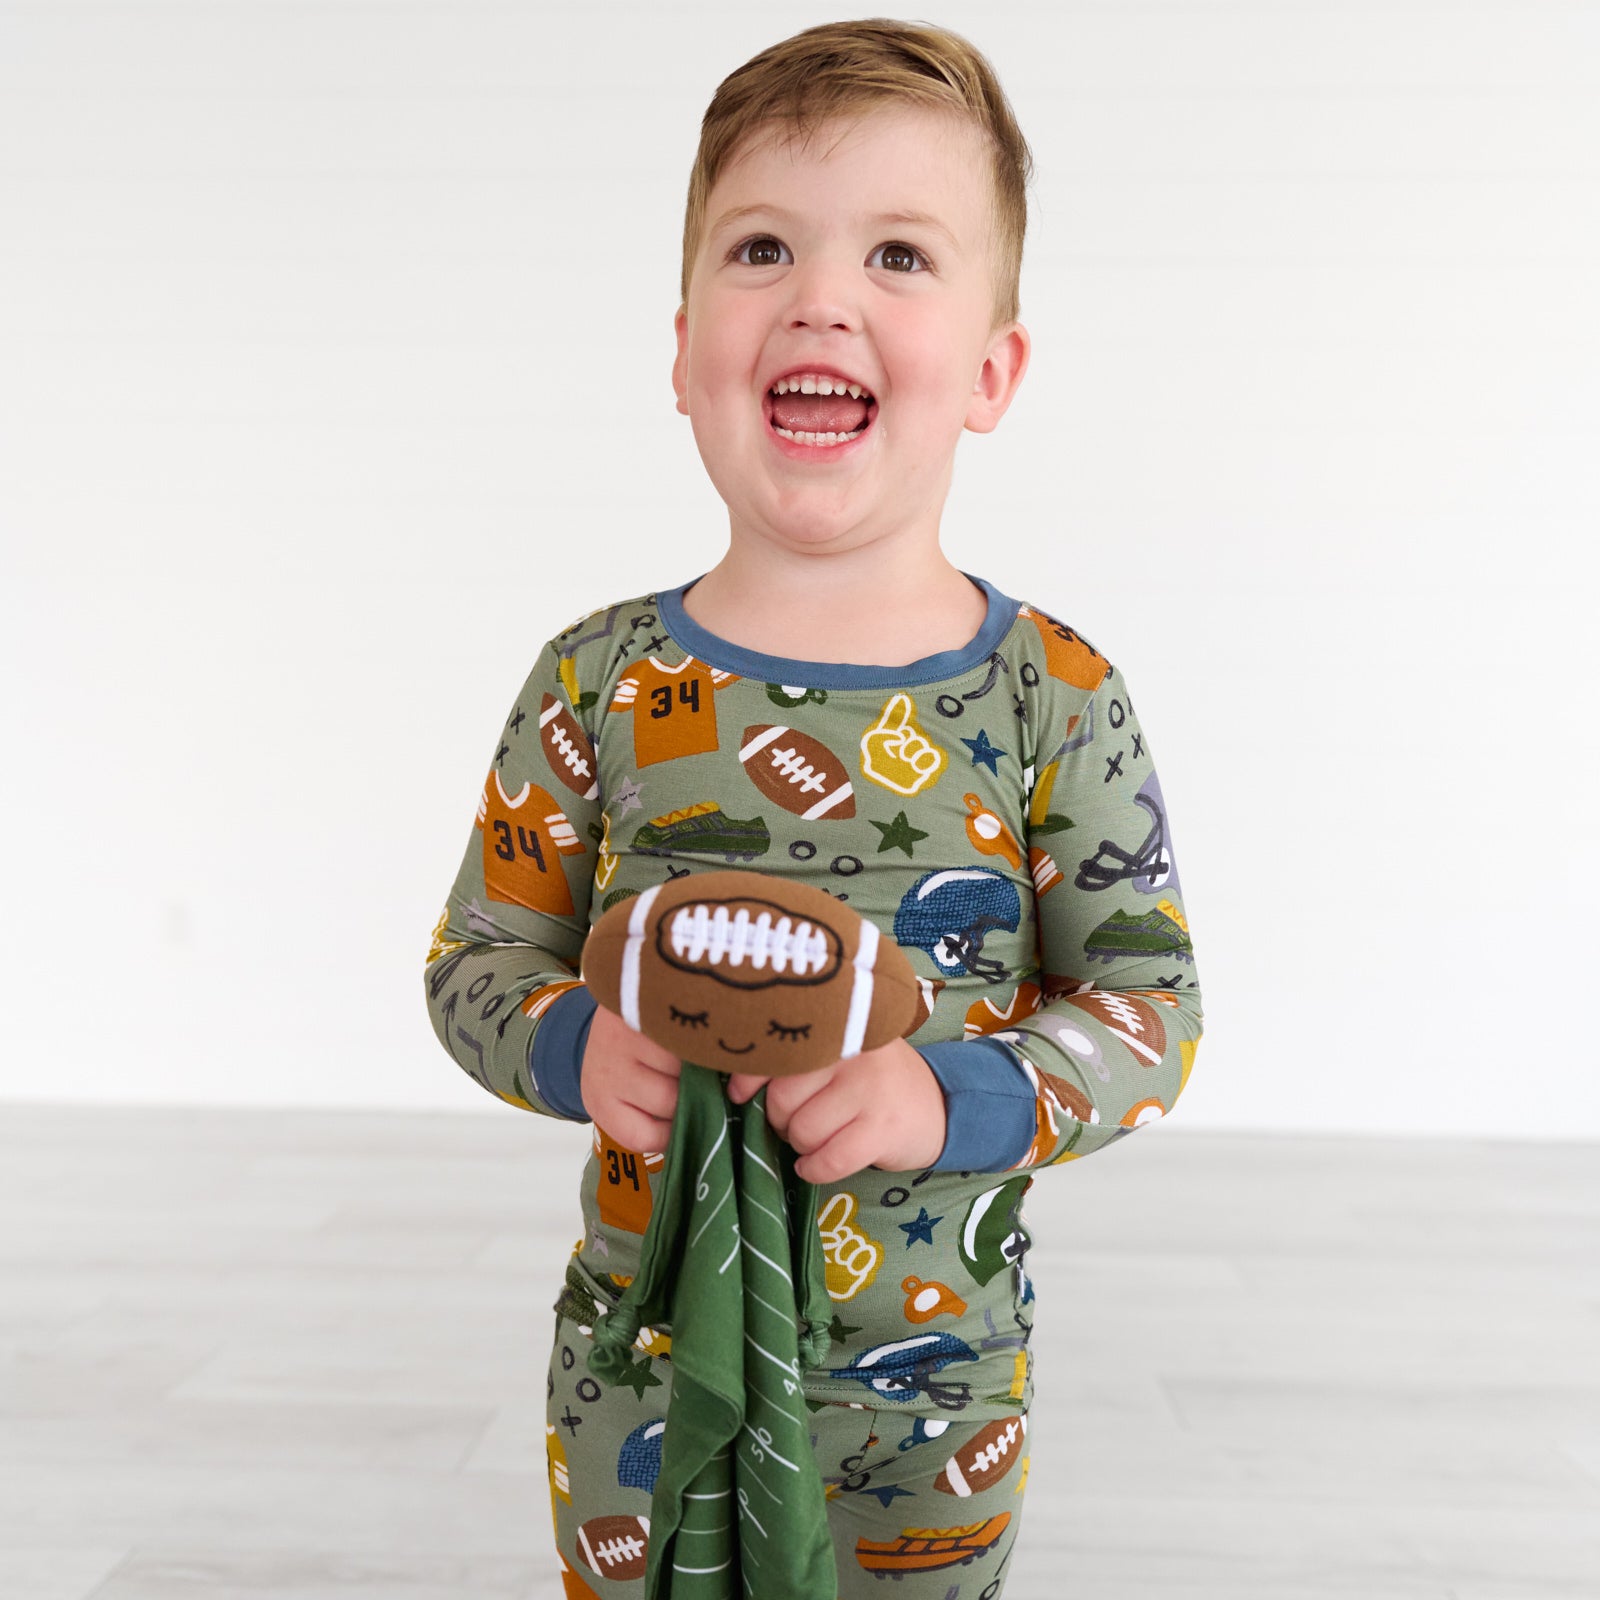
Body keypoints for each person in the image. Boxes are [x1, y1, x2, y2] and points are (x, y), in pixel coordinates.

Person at [423, 19, 1203, 1597]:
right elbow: (473, 964)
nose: (820, 296)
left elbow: (1150, 1013)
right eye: (761, 246)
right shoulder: (598, 684)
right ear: (685, 345)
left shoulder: (1052, 691)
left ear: (993, 371)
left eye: (900, 255)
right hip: (646, 1367)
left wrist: (953, 1101)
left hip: (936, 1395)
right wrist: (582, 1043)